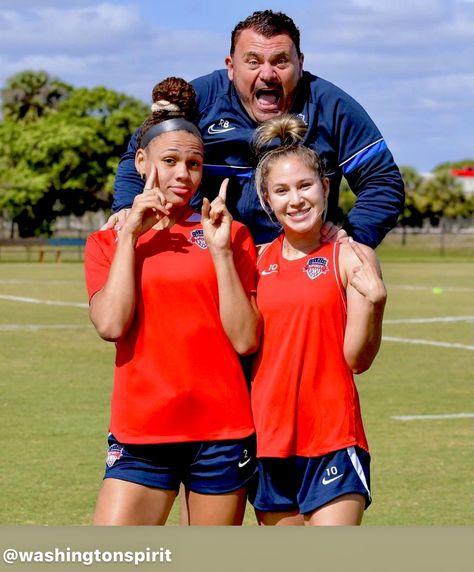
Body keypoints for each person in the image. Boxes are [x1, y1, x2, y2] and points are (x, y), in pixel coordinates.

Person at [84, 77, 261, 526]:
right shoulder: (107, 239)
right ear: (141, 161)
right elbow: (110, 325)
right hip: (141, 432)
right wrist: (129, 235)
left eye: (195, 163)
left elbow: (245, 339)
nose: (183, 174)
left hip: (222, 433)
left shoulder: (232, 234)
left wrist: (221, 250)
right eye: (170, 161)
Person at [109, 10, 404, 249]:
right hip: (207, 256)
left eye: (281, 61)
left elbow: (382, 180)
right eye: (253, 61)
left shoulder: (331, 106)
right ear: (231, 66)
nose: (267, 73)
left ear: (300, 64)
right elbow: (138, 157)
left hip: (296, 262)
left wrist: (352, 239)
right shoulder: (200, 100)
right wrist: (126, 208)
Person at [248, 114, 387, 525]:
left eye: (305, 185)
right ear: (267, 201)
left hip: (332, 436)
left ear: (325, 188)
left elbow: (357, 360)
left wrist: (375, 302)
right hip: (268, 440)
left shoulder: (351, 256)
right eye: (282, 191)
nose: (296, 200)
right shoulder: (256, 261)